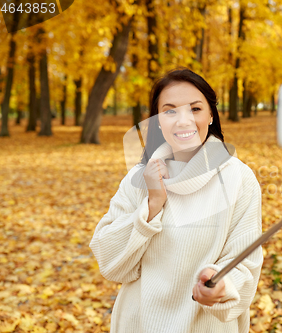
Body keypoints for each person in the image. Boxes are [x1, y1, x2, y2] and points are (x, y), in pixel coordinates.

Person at [89, 67, 263, 333]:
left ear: (212, 115)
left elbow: (246, 266)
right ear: (158, 120)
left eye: (195, 109)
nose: (183, 121)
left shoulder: (239, 178)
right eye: (170, 110)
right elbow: (110, 263)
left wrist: (222, 288)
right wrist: (152, 205)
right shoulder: (138, 178)